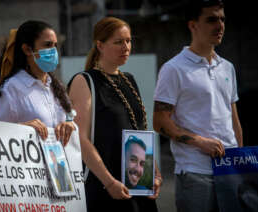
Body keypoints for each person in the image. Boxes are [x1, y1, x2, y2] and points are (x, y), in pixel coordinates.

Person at [153, 0, 243, 211]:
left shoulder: (227, 67)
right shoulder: (173, 69)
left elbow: (234, 121)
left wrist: (240, 163)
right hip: (195, 174)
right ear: (193, 25)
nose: (219, 25)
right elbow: (160, 122)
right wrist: (200, 142)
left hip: (229, 171)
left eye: (222, 19)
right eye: (211, 19)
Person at [68, 17, 161, 211]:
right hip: (104, 185)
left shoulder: (129, 80)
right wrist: (109, 182)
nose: (126, 47)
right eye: (118, 42)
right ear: (100, 45)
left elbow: (139, 132)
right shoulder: (84, 81)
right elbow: (80, 138)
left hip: (138, 184)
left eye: (128, 41)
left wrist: (154, 174)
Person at [0, 20, 75, 145]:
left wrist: (69, 124)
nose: (54, 51)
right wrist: (21, 128)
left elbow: (70, 123)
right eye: (48, 45)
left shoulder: (56, 87)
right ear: (27, 49)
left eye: (55, 45)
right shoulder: (11, 88)